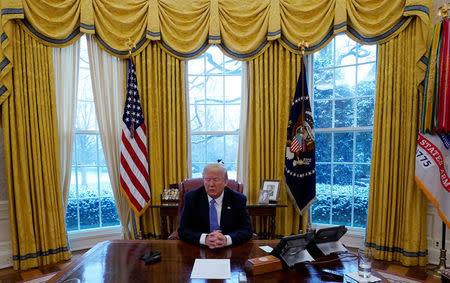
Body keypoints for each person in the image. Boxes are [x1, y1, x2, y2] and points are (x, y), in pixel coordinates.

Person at [178, 163, 252, 248]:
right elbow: (183, 230)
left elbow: (247, 230)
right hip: (200, 247)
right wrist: (205, 239)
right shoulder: (191, 198)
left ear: (225, 182)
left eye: (216, 180)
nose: (211, 184)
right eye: (207, 179)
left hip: (229, 248)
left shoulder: (238, 199)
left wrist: (226, 239)